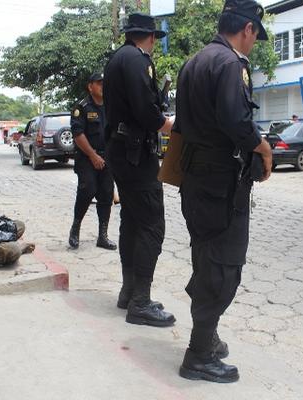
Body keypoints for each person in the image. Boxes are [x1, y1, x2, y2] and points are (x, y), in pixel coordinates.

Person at [174, 0, 272, 383]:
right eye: (254, 36)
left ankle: (207, 336)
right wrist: (262, 148)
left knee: (206, 257)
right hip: (221, 183)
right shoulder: (231, 64)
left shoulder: (195, 61)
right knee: (224, 266)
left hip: (196, 179)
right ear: (247, 28)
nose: (253, 44)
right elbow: (237, 121)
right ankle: (198, 355)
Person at [104, 12, 175, 326]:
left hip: (122, 151)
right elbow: (145, 110)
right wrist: (166, 124)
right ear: (149, 37)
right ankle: (141, 302)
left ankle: (130, 292)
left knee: (132, 221)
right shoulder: (137, 60)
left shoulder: (118, 58)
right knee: (151, 225)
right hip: (135, 153)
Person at [68, 73, 117, 251]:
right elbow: (78, 134)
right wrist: (93, 155)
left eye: (105, 83)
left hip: (107, 158)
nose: (103, 86)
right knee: (87, 190)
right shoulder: (82, 108)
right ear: (90, 86)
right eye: (99, 83)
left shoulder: (112, 106)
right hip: (86, 158)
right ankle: (75, 228)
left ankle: (102, 236)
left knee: (106, 194)